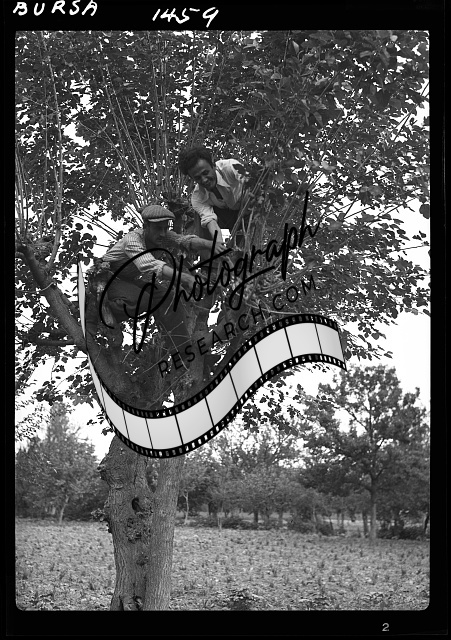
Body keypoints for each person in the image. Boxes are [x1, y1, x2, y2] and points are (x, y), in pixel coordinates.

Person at [87, 204, 227, 355]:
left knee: (167, 297)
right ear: (146, 226)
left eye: (165, 228)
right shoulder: (132, 240)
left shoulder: (164, 237)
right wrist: (186, 278)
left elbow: (185, 241)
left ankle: (182, 350)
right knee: (143, 300)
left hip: (127, 280)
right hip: (106, 279)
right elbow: (148, 264)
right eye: (158, 229)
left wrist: (213, 245)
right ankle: (96, 308)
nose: (163, 233)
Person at [178, 146, 247, 247]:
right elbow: (210, 221)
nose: (204, 180)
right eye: (198, 178)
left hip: (247, 209)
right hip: (225, 217)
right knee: (200, 219)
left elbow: (251, 183)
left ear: (213, 166)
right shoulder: (198, 197)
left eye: (206, 173)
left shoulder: (230, 167)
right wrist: (218, 243)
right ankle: (210, 252)